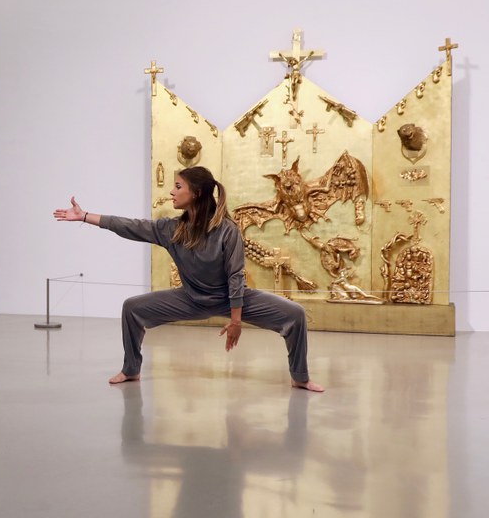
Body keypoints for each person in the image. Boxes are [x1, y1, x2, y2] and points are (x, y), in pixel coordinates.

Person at [52, 166, 322, 391]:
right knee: (132, 308)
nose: (172, 191)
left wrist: (236, 320)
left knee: (295, 314)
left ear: (197, 193)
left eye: (178, 186)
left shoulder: (227, 231)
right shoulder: (172, 229)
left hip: (233, 301)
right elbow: (131, 226)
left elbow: (236, 276)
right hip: (190, 300)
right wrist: (84, 216)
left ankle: (300, 377)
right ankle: (130, 369)